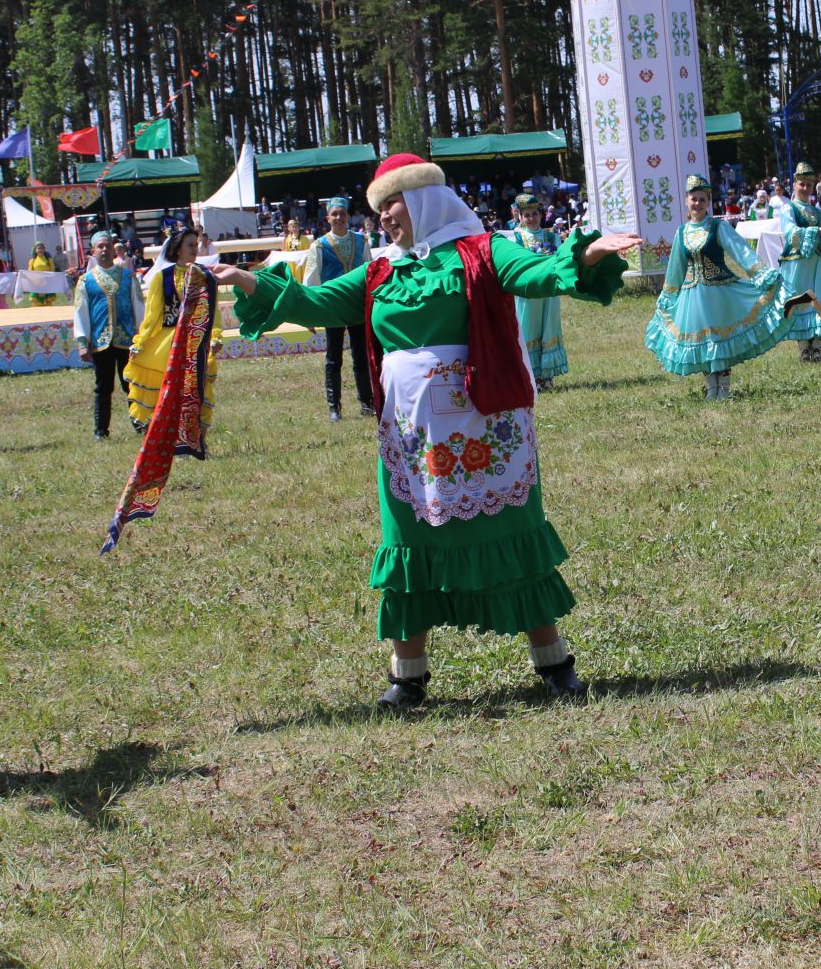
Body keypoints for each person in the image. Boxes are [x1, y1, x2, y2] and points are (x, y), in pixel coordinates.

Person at [213, 153, 640, 709]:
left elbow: (532, 275)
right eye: (378, 209)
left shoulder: (480, 251)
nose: (383, 217)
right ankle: (407, 676)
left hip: (484, 422)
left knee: (510, 532)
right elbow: (315, 302)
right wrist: (246, 278)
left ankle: (555, 664)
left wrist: (582, 255)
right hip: (411, 435)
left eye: (390, 204)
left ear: (421, 200)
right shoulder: (380, 272)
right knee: (408, 538)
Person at [644, 174, 787, 401]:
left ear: (708, 202)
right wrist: (669, 294)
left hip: (719, 292)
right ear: (686, 201)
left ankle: (725, 388)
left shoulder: (717, 227)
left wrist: (760, 273)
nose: (697, 204)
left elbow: (739, 251)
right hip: (693, 296)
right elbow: (676, 268)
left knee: (719, 340)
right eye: (694, 199)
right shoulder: (681, 232)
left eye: (702, 199)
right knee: (702, 341)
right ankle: (711, 387)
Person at [126, 226, 220, 432]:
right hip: (170, 341)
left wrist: (215, 336)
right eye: (190, 245)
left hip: (197, 340)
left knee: (195, 389)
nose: (195, 249)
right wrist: (140, 342)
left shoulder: (205, 276)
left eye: (196, 245)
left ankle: (193, 436)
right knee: (170, 389)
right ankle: (169, 433)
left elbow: (212, 311)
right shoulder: (162, 277)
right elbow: (152, 316)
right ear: (178, 249)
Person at [303, 197, 373, 421]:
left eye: (342, 213)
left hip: (356, 306)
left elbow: (370, 273)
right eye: (335, 214)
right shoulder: (319, 246)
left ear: (348, 216)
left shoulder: (361, 241)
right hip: (332, 307)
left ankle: (367, 402)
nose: (339, 217)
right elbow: (311, 280)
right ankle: (334, 407)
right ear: (328, 218)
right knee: (334, 358)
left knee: (361, 356)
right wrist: (310, 313)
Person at [73, 231, 145, 439]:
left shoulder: (128, 277)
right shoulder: (85, 281)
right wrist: (82, 341)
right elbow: (81, 311)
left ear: (113, 248)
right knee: (103, 387)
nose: (104, 250)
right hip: (99, 341)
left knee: (130, 384)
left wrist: (141, 335)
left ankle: (140, 425)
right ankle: (100, 431)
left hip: (126, 340)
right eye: (100, 246)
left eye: (107, 245)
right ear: (93, 251)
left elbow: (138, 308)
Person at [774, 162, 821, 361]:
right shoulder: (788, 209)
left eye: (809, 185)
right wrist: (816, 232)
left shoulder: (815, 212)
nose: (805, 188)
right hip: (797, 263)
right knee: (800, 301)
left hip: (815, 261)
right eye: (802, 184)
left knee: (818, 299)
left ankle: (817, 346)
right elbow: (791, 233)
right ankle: (804, 347)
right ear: (794, 184)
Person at [509, 193, 569, 388]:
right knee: (528, 328)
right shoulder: (517, 237)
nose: (531, 218)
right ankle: (530, 376)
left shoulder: (551, 236)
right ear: (520, 217)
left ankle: (547, 376)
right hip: (528, 291)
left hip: (548, 290)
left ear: (541, 215)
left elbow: (560, 257)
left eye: (534, 213)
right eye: (526, 215)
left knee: (548, 327)